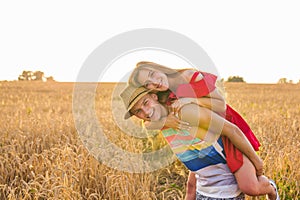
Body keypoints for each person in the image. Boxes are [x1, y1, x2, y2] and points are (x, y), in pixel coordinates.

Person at [120, 85, 279, 199]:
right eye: (138, 111)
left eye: (145, 103)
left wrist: (257, 161)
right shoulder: (157, 120)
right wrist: (163, 122)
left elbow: (232, 131)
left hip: (225, 151)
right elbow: (147, 124)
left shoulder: (185, 112)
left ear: (154, 96)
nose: (145, 112)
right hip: (199, 158)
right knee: (190, 188)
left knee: (250, 187)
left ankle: (270, 187)